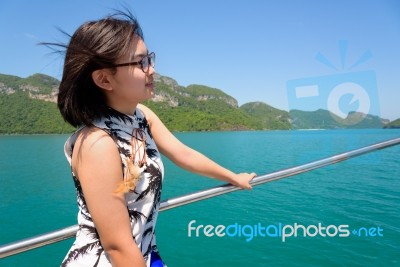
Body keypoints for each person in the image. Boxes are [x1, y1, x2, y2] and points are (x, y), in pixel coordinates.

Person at [52, 10, 256, 267]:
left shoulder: (140, 118)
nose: (152, 69)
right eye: (140, 63)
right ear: (104, 79)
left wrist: (232, 177)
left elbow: (183, 154)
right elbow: (116, 245)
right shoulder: (97, 143)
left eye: (149, 58)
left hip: (144, 253)